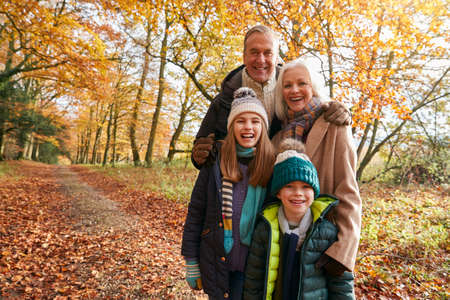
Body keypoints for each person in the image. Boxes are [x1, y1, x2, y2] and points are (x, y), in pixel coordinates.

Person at [192, 24, 351, 168]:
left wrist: (339, 108)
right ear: (244, 56)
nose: (261, 60)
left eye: (268, 53)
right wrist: (199, 155)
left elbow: (316, 103)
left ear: (276, 58)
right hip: (235, 187)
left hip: (283, 186)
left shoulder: (291, 91)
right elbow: (200, 151)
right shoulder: (224, 100)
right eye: (254, 52)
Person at [181, 87, 275, 299]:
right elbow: (196, 211)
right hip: (217, 261)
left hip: (253, 267)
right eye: (241, 121)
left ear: (263, 127)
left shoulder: (271, 166)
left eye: (255, 121)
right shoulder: (215, 161)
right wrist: (191, 260)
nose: (248, 127)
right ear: (231, 127)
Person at [271, 59, 361, 275]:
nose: (295, 90)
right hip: (284, 244)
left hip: (324, 245)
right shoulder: (277, 138)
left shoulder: (335, 125)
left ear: (313, 87)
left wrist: (343, 251)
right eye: (287, 85)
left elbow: (348, 190)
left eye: (302, 83)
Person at [243, 138, 355, 299]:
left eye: (306, 187)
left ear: (314, 192)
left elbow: (340, 284)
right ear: (278, 192)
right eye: (289, 186)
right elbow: (253, 280)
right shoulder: (265, 229)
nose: (298, 193)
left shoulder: (326, 232)